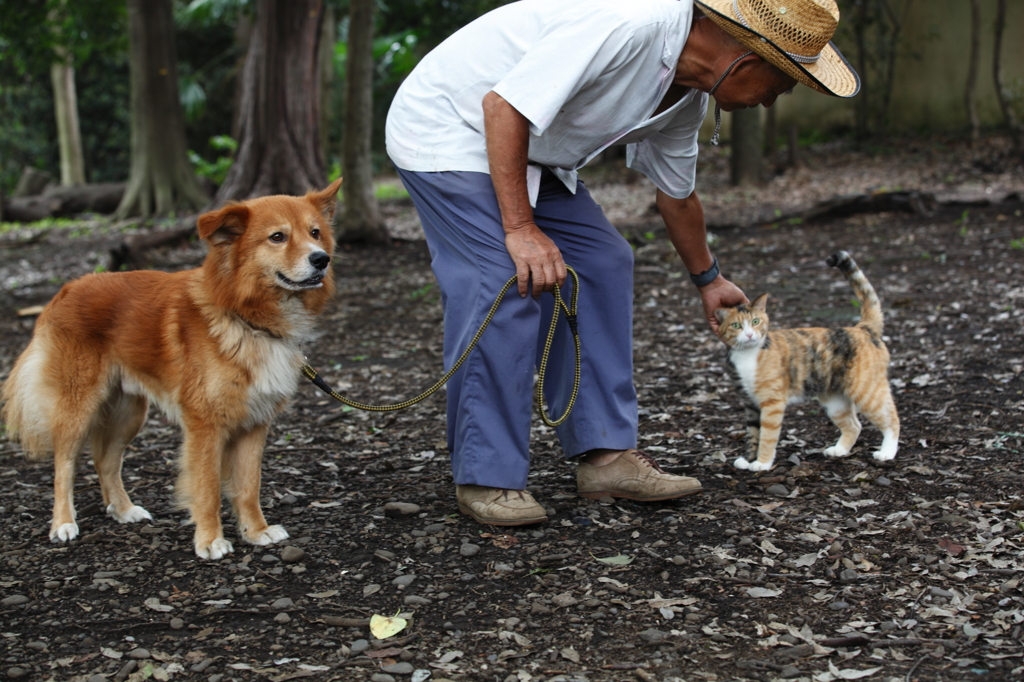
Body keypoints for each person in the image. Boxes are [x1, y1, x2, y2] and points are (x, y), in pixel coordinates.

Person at [384, 0, 859, 526]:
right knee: (504, 277)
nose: (770, 103)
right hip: (450, 128)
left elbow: (677, 196)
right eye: (780, 86)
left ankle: (605, 455)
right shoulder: (631, 27)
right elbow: (504, 107)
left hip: (531, 154)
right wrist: (520, 230)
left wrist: (708, 278)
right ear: (747, 63)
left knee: (603, 262)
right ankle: (487, 475)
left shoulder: (685, 96)